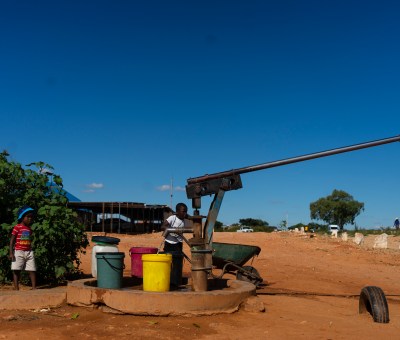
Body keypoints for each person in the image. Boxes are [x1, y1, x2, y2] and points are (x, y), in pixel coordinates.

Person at [9, 205, 37, 290]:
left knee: (32, 269)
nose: (30, 219)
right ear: (21, 217)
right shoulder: (17, 227)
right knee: (16, 270)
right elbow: (12, 241)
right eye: (28, 217)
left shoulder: (29, 229)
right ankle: (16, 288)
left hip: (29, 251)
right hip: (18, 251)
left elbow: (28, 240)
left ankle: (34, 287)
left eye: (31, 217)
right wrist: (11, 253)